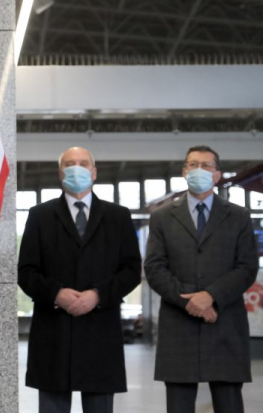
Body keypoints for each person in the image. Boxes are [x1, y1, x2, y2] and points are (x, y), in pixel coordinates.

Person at [18, 146, 141, 413]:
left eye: (83, 163)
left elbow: (131, 270)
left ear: (94, 172)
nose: (77, 168)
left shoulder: (117, 216)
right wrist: (56, 294)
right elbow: (26, 271)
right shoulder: (40, 215)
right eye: (70, 163)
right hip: (54, 331)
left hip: (100, 329)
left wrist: (98, 295)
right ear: (61, 173)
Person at [144, 145, 257, 413]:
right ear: (184, 172)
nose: (199, 170)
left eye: (206, 166)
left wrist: (211, 297)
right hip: (178, 324)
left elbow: (246, 267)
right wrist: (190, 302)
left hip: (225, 323)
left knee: (229, 403)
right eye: (193, 165)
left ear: (217, 175)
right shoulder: (162, 217)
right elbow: (155, 268)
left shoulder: (238, 216)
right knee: (179, 405)